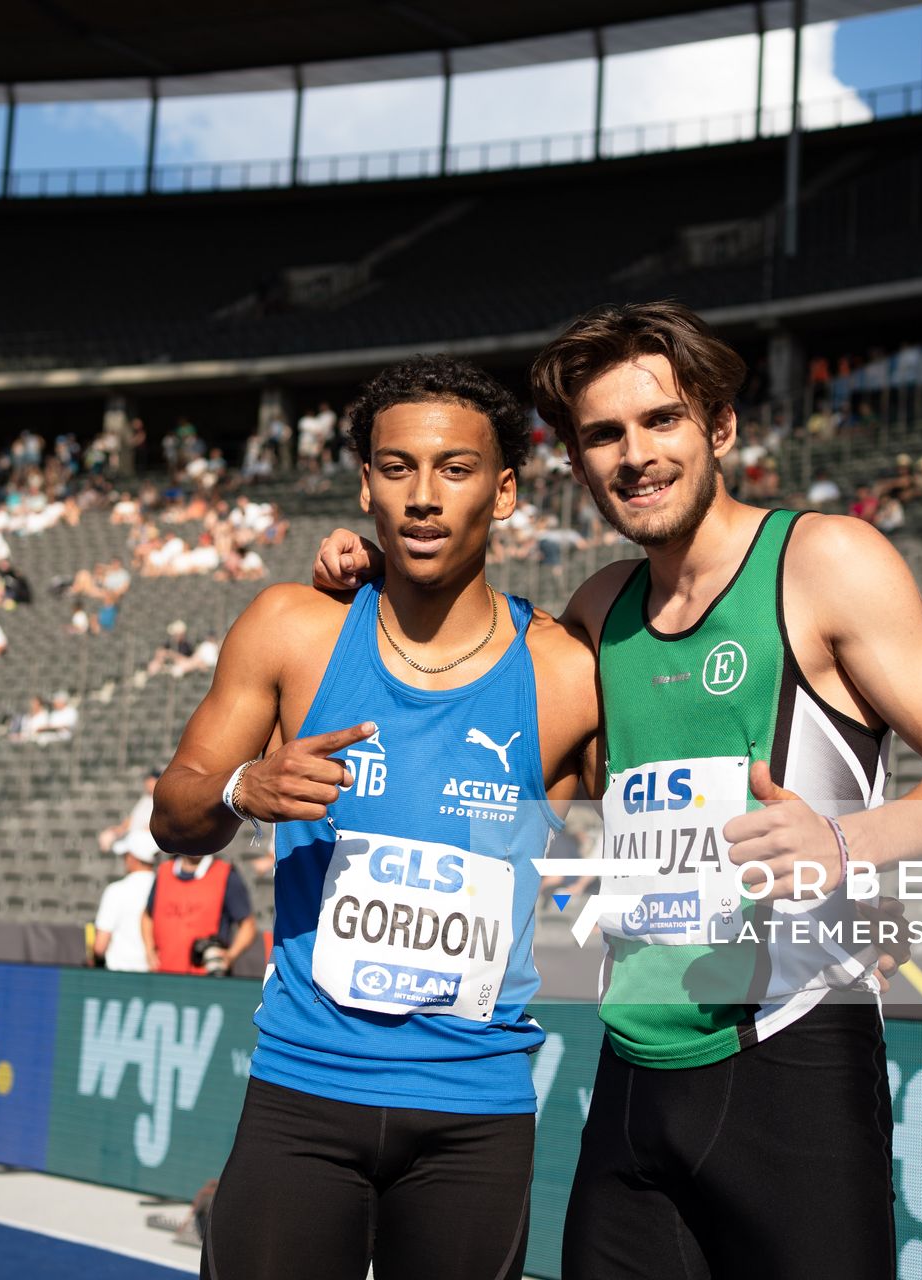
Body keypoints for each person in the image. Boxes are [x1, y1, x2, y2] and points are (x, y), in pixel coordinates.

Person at [320, 303, 922, 1280]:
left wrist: (848, 847)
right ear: (576, 462)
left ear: (720, 427)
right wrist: (374, 570)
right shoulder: (600, 608)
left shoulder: (826, 560)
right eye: (605, 434)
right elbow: (501, 717)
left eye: (662, 420)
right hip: (634, 1073)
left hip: (794, 1055)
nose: (636, 455)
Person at [155, 354, 599, 1280]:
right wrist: (244, 788)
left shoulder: (566, 673)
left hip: (474, 1115)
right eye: (398, 468)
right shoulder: (294, 628)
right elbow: (175, 813)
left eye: (455, 468)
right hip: (303, 1095)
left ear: (505, 491)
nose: (424, 496)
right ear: (366, 485)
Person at [140, 845, 259, 977]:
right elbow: (147, 916)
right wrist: (149, 950)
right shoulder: (164, 871)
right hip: (163, 975)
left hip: (207, 979)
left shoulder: (226, 874)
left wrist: (230, 955)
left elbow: (248, 925)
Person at [92, 831, 158, 972]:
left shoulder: (116, 891)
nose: (124, 859)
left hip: (119, 975)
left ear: (133, 858)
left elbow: (100, 946)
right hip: (154, 973)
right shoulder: (163, 889)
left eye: (126, 855)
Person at [98, 769, 160, 853]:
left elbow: (158, 824)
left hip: (146, 836)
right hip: (133, 834)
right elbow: (131, 819)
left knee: (132, 840)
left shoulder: (160, 800)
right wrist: (119, 829)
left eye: (150, 781)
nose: (147, 784)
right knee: (107, 836)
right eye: (147, 781)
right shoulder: (144, 799)